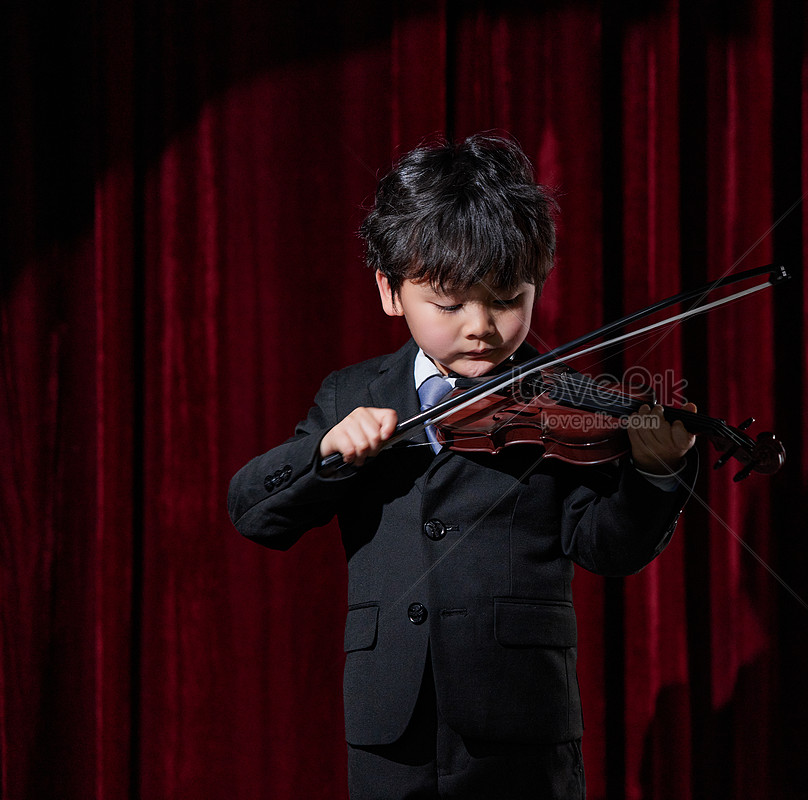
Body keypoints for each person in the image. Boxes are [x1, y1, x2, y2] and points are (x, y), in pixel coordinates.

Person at [227, 132, 699, 799]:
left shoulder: (561, 404)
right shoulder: (349, 395)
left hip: (523, 725)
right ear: (392, 292)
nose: (481, 326)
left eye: (507, 299)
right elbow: (253, 512)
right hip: (391, 725)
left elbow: (606, 547)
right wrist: (325, 455)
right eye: (449, 304)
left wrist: (655, 477)